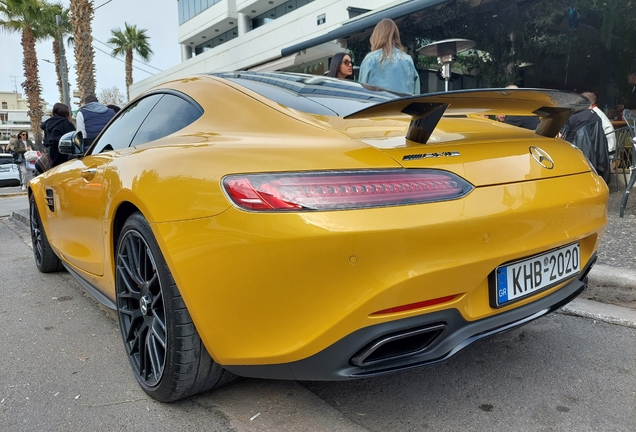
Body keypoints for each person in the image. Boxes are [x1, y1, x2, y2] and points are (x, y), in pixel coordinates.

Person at [358, 19, 420, 95]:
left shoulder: (370, 59)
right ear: (396, 35)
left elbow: (361, 92)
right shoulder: (407, 59)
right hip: (404, 105)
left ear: (377, 36)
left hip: (379, 105)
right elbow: (416, 93)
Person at [41, 103, 76, 167]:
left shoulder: (48, 124)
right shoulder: (66, 123)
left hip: (51, 154)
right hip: (64, 154)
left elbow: (45, 141)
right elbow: (74, 138)